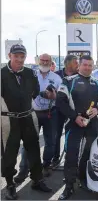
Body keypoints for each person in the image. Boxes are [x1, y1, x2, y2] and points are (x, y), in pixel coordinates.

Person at [56, 55, 98, 200]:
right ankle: (68, 186)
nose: (87, 67)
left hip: (92, 125)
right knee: (71, 155)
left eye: (90, 65)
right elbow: (60, 102)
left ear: (93, 67)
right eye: (84, 65)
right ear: (79, 66)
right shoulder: (68, 81)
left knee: (89, 154)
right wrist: (75, 117)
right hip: (74, 124)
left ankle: (83, 180)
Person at [1, 44, 51, 200]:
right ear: (10, 56)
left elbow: (35, 93)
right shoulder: (1, 74)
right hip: (9, 120)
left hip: (28, 118)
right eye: (16, 56)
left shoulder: (30, 73)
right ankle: (10, 184)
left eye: (22, 56)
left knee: (34, 150)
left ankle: (37, 179)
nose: (20, 59)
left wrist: (46, 93)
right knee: (9, 155)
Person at [14, 53, 62, 184]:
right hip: (32, 113)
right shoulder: (30, 75)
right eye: (42, 60)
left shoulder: (57, 78)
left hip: (50, 113)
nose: (44, 62)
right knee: (28, 143)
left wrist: (54, 96)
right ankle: (23, 170)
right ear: (38, 61)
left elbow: (62, 96)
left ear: (51, 62)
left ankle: (45, 165)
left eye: (47, 60)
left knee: (50, 142)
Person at [51, 54, 79, 167]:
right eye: (75, 62)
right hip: (58, 109)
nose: (78, 64)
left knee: (70, 135)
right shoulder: (56, 75)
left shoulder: (79, 76)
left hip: (72, 110)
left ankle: (69, 158)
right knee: (56, 134)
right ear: (68, 63)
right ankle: (55, 158)